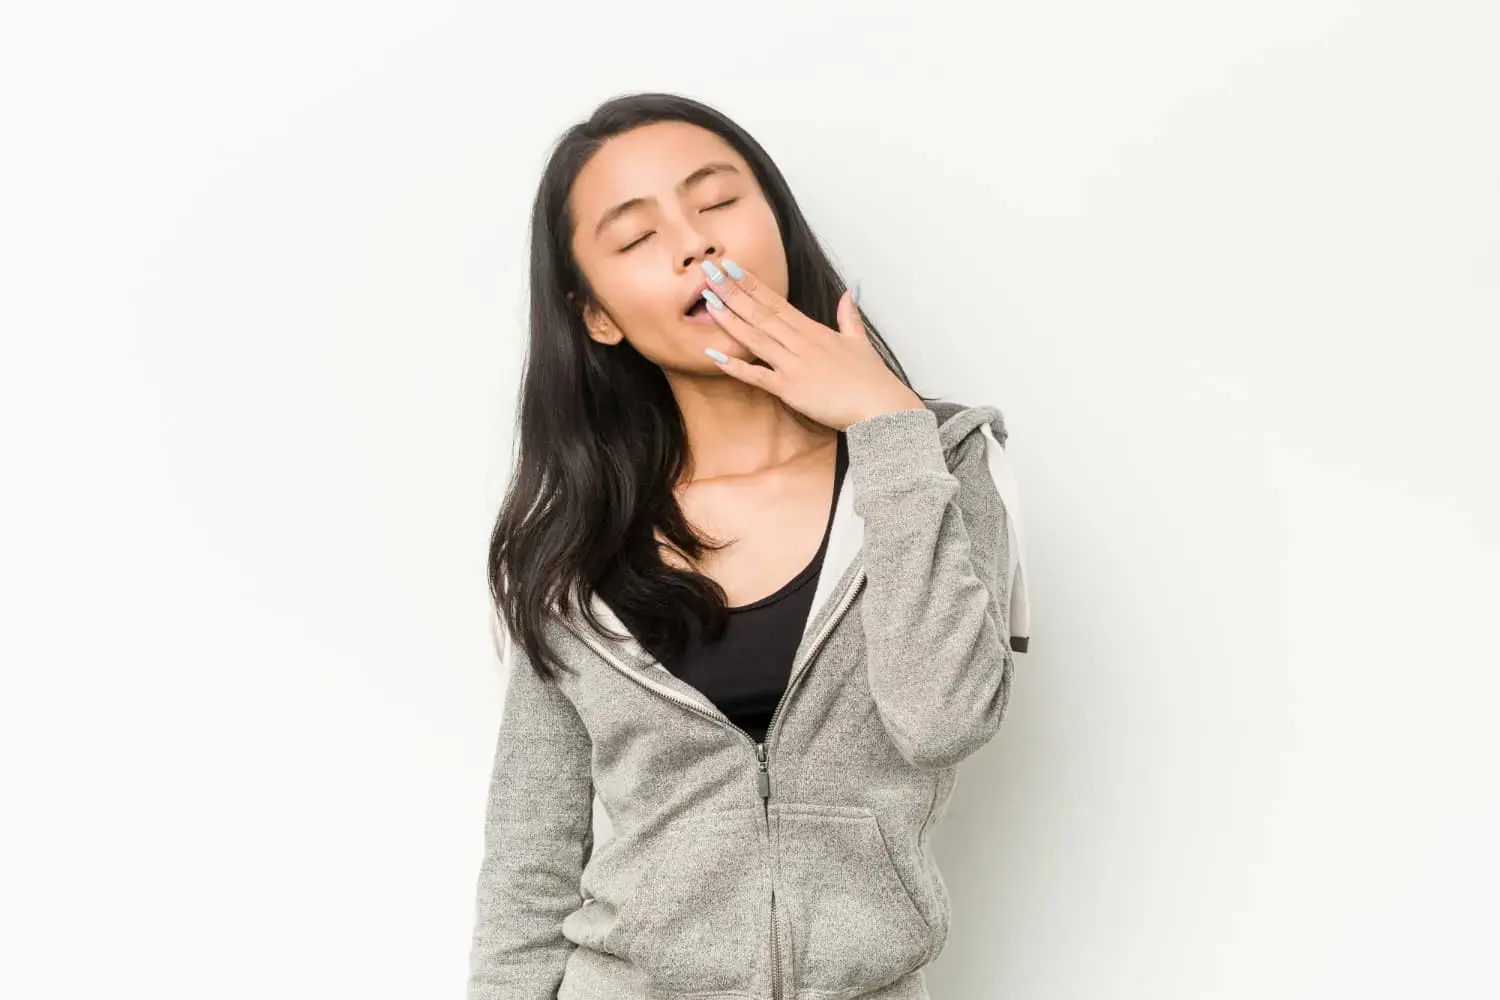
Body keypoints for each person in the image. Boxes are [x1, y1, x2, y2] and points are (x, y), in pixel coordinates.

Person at [467, 92, 1032, 1000]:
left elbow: (943, 721)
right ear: (599, 316)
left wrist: (890, 427)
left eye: (717, 200)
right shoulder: (572, 547)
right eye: (635, 236)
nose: (695, 241)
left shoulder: (938, 463)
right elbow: (529, 861)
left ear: (777, 224)